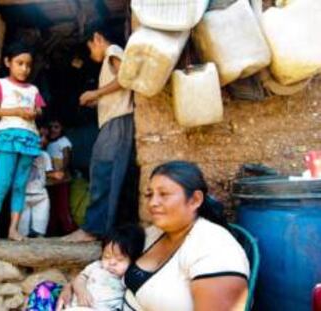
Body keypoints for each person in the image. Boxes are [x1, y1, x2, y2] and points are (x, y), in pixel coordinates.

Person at [123, 161, 250, 311]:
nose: (152, 203)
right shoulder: (154, 233)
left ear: (195, 200)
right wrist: (86, 280)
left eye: (163, 194)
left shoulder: (216, 250)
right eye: (149, 195)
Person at [63, 28, 134, 242]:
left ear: (97, 38)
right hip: (114, 122)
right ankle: (101, 229)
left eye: (90, 48)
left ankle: (92, 230)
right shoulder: (109, 59)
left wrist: (96, 92)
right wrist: (97, 102)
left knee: (104, 171)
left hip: (119, 121)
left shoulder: (113, 50)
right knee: (105, 171)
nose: (91, 54)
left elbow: (125, 79)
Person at [0, 41, 46, 249]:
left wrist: (33, 113)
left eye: (28, 65)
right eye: (19, 63)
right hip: (7, 138)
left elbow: (40, 112)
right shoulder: (0, 84)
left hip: (29, 139)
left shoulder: (34, 89)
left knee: (20, 185)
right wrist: (17, 111)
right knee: (3, 182)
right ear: (7, 62)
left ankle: (13, 229)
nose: (24, 69)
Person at [25, 224, 145, 311]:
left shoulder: (128, 279)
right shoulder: (97, 266)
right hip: (72, 305)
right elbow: (80, 278)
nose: (111, 263)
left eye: (119, 259)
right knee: (45, 288)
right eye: (107, 256)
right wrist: (81, 291)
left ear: (134, 260)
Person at [18, 128, 64, 238]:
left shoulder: (44, 155)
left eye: (46, 137)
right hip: (23, 195)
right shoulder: (21, 154)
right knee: (22, 231)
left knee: (40, 228)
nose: (43, 139)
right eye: (40, 135)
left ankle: (39, 241)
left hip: (41, 196)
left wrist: (55, 174)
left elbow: (46, 172)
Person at [46, 119, 77, 235]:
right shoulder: (48, 142)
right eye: (51, 127)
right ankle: (51, 231)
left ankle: (69, 230)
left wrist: (62, 171)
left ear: (62, 129)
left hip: (61, 179)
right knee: (51, 207)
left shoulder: (64, 141)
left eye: (56, 127)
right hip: (50, 180)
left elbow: (66, 156)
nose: (53, 130)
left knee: (62, 206)